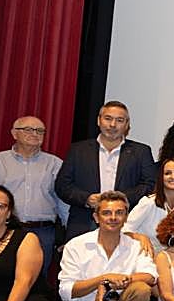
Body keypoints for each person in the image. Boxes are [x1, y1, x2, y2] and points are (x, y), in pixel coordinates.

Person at [0, 115, 68, 274]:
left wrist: (69, 235)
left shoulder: (55, 164)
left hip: (42, 233)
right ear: (14, 133)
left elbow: (63, 203)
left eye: (40, 131)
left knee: (36, 281)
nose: (35, 134)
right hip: (3, 229)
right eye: (28, 129)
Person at [55, 101, 156, 236]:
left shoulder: (141, 151)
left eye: (119, 120)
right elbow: (62, 185)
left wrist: (120, 199)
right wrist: (87, 199)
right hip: (84, 222)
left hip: (126, 222)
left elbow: (150, 185)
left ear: (127, 125)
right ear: (99, 120)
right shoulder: (78, 150)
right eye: (108, 118)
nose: (113, 125)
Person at [124, 158, 174, 253]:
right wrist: (139, 237)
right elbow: (123, 230)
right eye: (167, 173)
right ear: (160, 178)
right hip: (149, 255)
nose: (173, 176)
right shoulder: (148, 203)